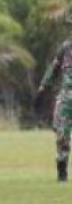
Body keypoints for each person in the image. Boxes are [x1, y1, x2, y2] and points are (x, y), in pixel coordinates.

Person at [34, 12, 72, 182]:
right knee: (61, 134)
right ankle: (62, 170)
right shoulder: (65, 48)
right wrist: (43, 87)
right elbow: (53, 69)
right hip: (67, 95)